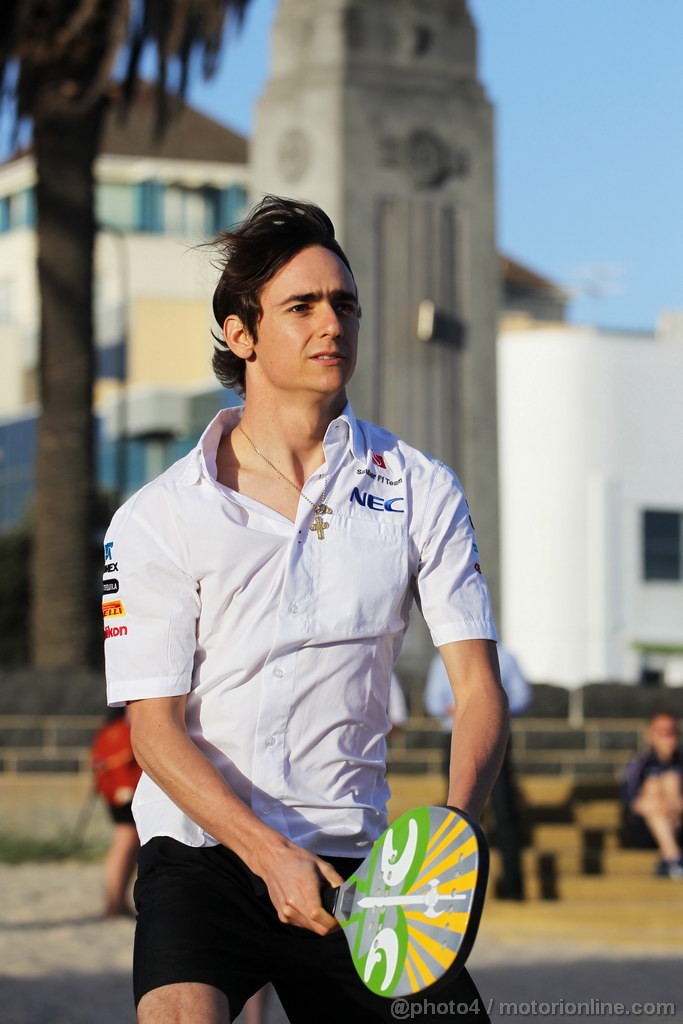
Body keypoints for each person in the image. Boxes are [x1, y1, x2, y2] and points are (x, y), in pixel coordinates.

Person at [103, 195, 509, 1024]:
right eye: (302, 306)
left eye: (344, 304)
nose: (333, 323)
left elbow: (476, 691)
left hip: (363, 864)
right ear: (240, 333)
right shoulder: (157, 515)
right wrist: (266, 852)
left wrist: (452, 842)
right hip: (203, 851)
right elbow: (154, 729)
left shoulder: (418, 486)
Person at [425, 643, 530, 899]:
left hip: (493, 737)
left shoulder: (506, 657)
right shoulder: (441, 660)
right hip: (454, 737)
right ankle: (454, 887)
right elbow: (432, 701)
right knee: (456, 811)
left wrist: (489, 708)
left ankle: (513, 885)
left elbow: (522, 696)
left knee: (504, 811)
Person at [90, 707, 141, 917]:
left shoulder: (112, 728)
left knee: (129, 842)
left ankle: (118, 901)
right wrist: (123, 787)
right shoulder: (119, 729)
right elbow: (118, 762)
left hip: (123, 791)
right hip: (124, 793)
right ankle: (114, 903)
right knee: (125, 841)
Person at [624, 712, 683, 879]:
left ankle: (669, 857)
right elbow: (631, 800)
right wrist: (658, 805)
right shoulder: (640, 763)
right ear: (650, 735)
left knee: (671, 781)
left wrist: (673, 803)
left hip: (677, 823)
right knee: (654, 786)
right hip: (645, 829)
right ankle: (673, 856)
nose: (667, 736)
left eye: (670, 731)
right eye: (661, 731)